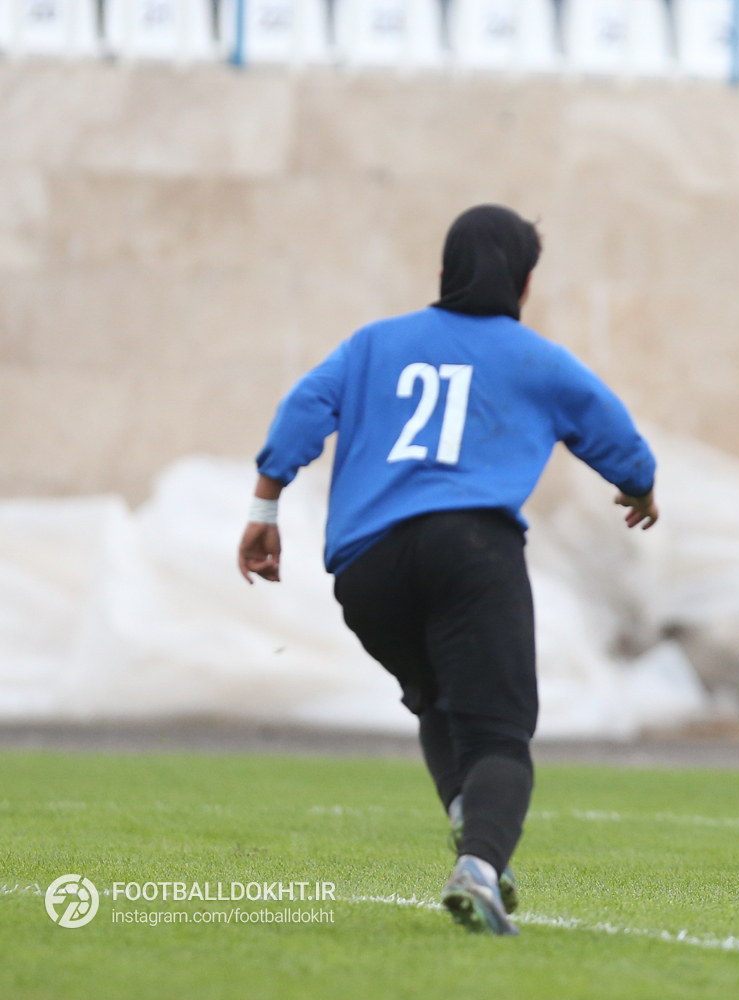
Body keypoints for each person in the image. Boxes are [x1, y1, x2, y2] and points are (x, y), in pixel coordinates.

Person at [238, 205, 659, 935]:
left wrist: (265, 509)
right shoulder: (536, 359)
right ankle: (481, 866)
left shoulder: (374, 343)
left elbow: (304, 407)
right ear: (525, 284)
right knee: (500, 735)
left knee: (436, 700)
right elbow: (616, 435)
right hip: (470, 551)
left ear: (442, 272)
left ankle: (470, 815)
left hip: (367, 567)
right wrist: (639, 488)